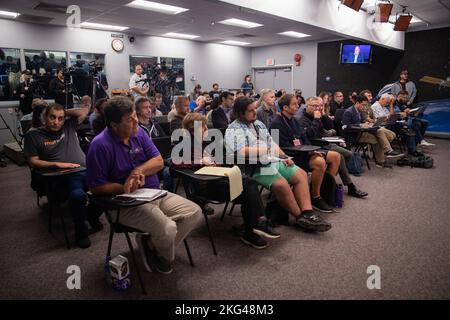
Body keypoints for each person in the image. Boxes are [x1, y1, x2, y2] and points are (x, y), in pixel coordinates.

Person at [86, 96, 202, 274]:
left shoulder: (139, 133)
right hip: (123, 203)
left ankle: (150, 244)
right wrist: (124, 186)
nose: (135, 122)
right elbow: (95, 187)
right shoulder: (99, 145)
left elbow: (158, 162)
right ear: (114, 125)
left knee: (194, 212)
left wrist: (139, 171)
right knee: (168, 228)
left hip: (153, 193)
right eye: (129, 120)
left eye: (134, 116)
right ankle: (163, 254)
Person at [173, 113, 280, 248]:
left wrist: (218, 161)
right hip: (206, 187)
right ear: (191, 129)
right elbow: (175, 165)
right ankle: (255, 226)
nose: (206, 129)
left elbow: (223, 159)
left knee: (249, 185)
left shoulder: (209, 142)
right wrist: (200, 161)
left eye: (206, 126)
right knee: (248, 187)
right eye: (203, 127)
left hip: (220, 181)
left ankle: (254, 226)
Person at [225, 96, 331, 232]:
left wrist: (283, 156)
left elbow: (271, 142)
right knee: (281, 185)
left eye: (254, 109)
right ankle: (300, 217)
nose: (254, 113)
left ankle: (308, 213)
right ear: (240, 113)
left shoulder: (258, 124)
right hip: (253, 167)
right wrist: (266, 150)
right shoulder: (233, 129)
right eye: (250, 111)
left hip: (270, 160)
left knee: (301, 174)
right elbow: (242, 152)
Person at [23, 103, 102, 248]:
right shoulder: (33, 134)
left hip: (88, 169)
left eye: (60, 118)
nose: (56, 122)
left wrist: (64, 112)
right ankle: (81, 232)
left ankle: (91, 214)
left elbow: (83, 111)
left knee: (111, 184)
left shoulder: (68, 125)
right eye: (52, 117)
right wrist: (57, 164)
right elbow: (33, 162)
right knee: (77, 195)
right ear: (45, 117)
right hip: (66, 175)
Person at [269, 94, 340, 212]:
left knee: (335, 156)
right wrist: (308, 153)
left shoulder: (294, 120)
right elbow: (278, 147)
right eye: (294, 104)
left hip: (303, 151)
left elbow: (304, 138)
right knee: (319, 162)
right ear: (285, 108)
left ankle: (324, 190)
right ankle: (315, 197)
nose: (298, 106)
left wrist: (312, 150)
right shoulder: (275, 124)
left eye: (297, 103)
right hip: (290, 156)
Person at [297, 96, 368, 198]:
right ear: (307, 106)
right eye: (314, 106)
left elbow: (330, 126)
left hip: (323, 142)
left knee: (346, 155)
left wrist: (323, 115)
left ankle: (328, 182)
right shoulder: (302, 119)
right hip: (315, 145)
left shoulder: (317, 115)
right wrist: (317, 120)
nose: (317, 108)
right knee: (340, 157)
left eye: (319, 106)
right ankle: (344, 185)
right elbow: (310, 136)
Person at [342, 95, 396, 168]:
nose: (364, 107)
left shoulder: (359, 111)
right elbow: (345, 127)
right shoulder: (348, 112)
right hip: (355, 135)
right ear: (357, 103)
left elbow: (361, 122)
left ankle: (383, 156)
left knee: (379, 133)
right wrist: (360, 125)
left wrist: (367, 124)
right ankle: (382, 159)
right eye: (363, 105)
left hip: (362, 132)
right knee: (379, 137)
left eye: (365, 105)